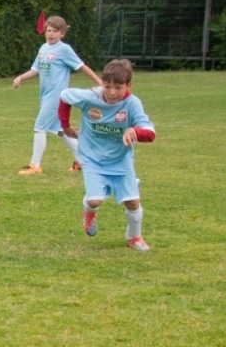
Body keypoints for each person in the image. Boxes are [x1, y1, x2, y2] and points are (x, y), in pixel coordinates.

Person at [58, 59, 156, 251]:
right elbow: (64, 96)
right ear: (101, 83)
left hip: (121, 160)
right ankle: (89, 213)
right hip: (92, 158)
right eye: (107, 86)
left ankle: (134, 238)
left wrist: (135, 131)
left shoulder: (132, 104)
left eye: (118, 87)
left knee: (132, 203)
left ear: (128, 86)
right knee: (94, 200)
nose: (112, 92)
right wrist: (66, 126)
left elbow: (150, 133)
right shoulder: (90, 97)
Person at [12, 15, 100, 174]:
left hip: (57, 97)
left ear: (62, 33)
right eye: (48, 30)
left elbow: (81, 66)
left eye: (54, 31)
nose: (50, 34)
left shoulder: (64, 49)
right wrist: (20, 78)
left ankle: (35, 165)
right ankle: (83, 162)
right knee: (62, 131)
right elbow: (36, 70)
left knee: (39, 127)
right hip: (45, 96)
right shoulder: (43, 48)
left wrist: (99, 82)